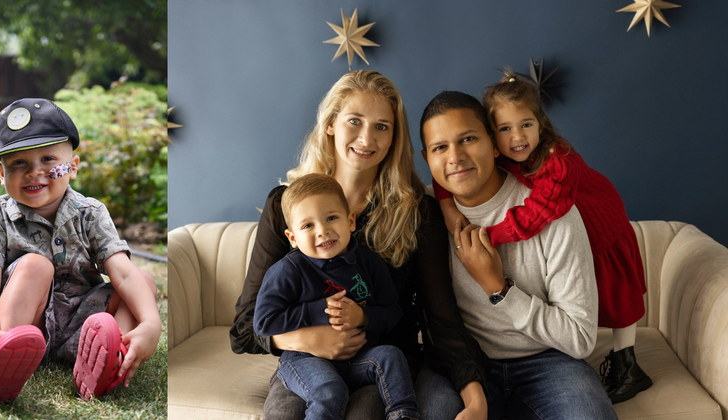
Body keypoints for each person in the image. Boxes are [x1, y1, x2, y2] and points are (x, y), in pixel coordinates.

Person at [230, 70, 489, 420]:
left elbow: (439, 316)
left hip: (381, 363)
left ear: (394, 137)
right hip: (307, 363)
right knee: (287, 413)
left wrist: (475, 397)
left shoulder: (417, 213)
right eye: (355, 121)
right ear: (331, 125)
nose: (367, 138)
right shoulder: (286, 206)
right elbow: (246, 327)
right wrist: (306, 340)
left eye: (382, 126)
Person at [431, 75, 650, 403]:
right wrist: (447, 206)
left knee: (618, 296)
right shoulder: (495, 156)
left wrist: (488, 237)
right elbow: (449, 167)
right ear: (494, 138)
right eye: (505, 129)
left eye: (526, 125)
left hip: (600, 222)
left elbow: (536, 215)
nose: (517, 137)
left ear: (541, 123)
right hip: (477, 361)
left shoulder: (557, 163)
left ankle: (627, 363)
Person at [0, 98, 161, 404]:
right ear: (2, 175)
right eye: (18, 163)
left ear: (72, 167)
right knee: (34, 265)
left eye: (47, 159)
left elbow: (122, 271)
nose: (34, 172)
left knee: (143, 282)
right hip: (28, 327)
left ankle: (108, 358)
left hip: (82, 326)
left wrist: (151, 323)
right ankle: (2, 357)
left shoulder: (91, 212)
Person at [254, 173, 419, 420]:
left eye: (331, 218)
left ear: (350, 220)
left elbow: (392, 312)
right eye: (308, 225)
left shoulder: (369, 263)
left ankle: (403, 414)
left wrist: (362, 316)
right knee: (330, 389)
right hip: (305, 360)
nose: (323, 231)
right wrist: (314, 311)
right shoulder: (288, 271)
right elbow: (264, 322)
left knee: (391, 356)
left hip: (359, 359)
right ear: (292, 238)